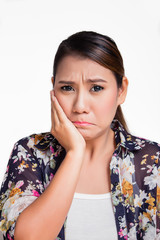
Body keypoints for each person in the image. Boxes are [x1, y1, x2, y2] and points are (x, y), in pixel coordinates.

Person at [0, 31, 159, 240]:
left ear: (121, 91)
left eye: (96, 88)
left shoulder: (151, 161)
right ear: (53, 89)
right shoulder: (30, 153)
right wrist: (75, 153)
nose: (80, 106)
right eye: (67, 88)